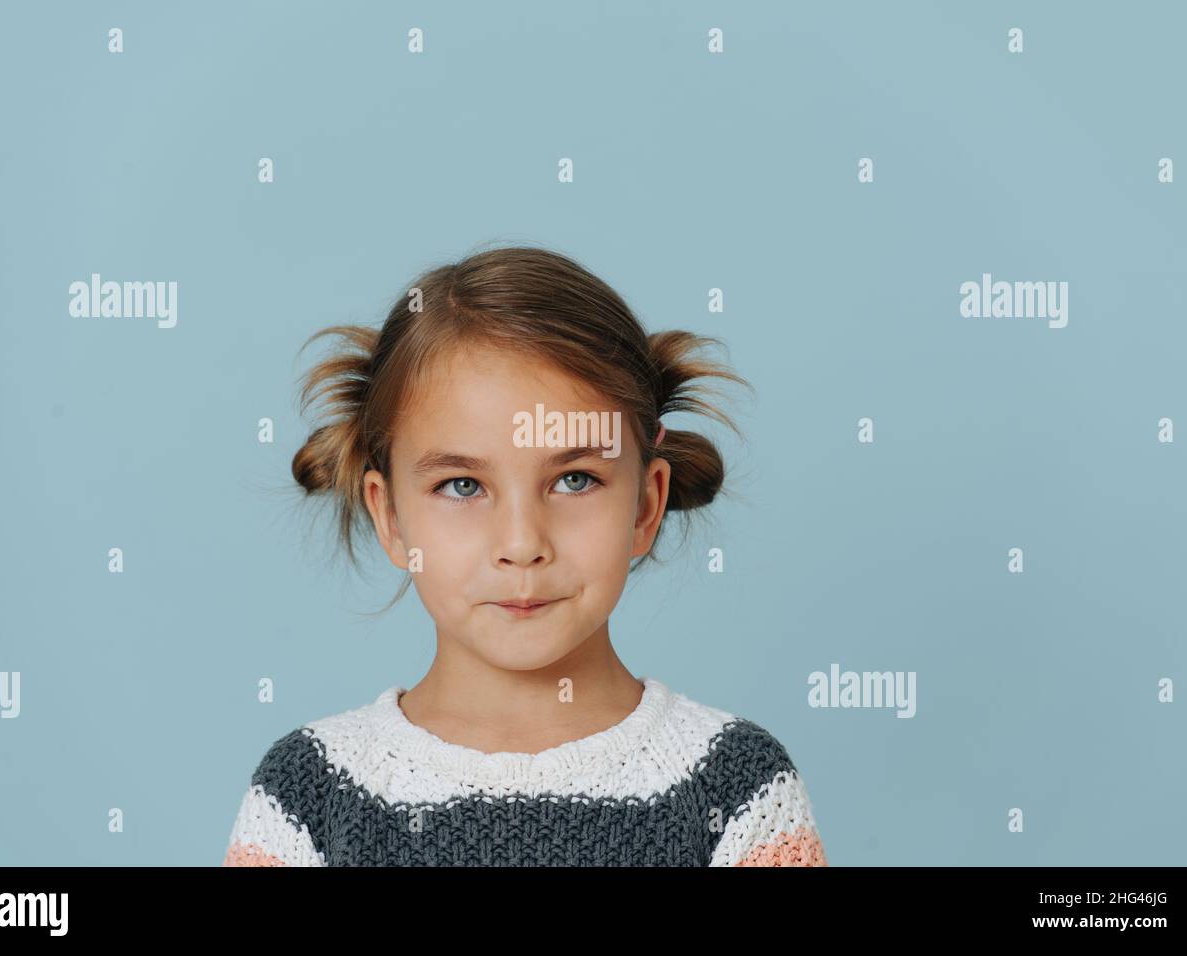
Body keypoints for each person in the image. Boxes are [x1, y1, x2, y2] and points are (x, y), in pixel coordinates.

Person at [223, 246, 827, 866]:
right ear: (391, 517)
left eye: (574, 480)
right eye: (462, 486)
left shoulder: (734, 786)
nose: (521, 544)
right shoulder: (310, 793)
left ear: (645, 507)